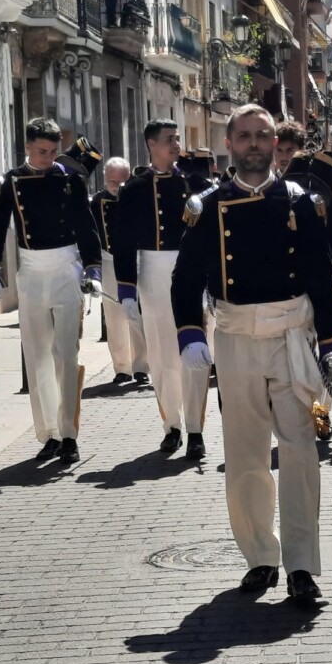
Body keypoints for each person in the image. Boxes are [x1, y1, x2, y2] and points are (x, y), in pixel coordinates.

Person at [172, 104, 332, 604]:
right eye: (244, 135)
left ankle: (302, 565)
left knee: (300, 450)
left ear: (275, 143)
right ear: (230, 143)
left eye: (262, 135)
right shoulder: (206, 206)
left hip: (291, 335)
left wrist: (331, 341)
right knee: (245, 453)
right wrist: (190, 334)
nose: (253, 144)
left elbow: (319, 272)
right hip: (235, 337)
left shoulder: (300, 202)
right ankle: (260, 557)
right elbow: (186, 276)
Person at [0, 118, 101, 465]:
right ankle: (47, 433)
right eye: (42, 151)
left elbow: (85, 225)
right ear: (28, 148)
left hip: (65, 269)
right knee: (37, 358)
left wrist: (93, 267)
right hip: (30, 273)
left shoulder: (70, 180)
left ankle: (69, 434)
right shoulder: (11, 182)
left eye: (53, 151)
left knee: (66, 354)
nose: (49, 158)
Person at [114, 120, 213, 459]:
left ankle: (195, 430)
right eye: (169, 140)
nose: (176, 145)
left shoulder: (196, 183)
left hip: (190, 268)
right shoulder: (133, 188)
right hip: (152, 272)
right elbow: (123, 243)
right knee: (161, 356)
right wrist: (127, 290)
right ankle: (171, 425)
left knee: (193, 352)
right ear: (151, 145)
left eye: (177, 139)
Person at [273, 121, 332, 305]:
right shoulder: (264, 183)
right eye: (280, 150)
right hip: (277, 272)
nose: (284, 156)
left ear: (300, 149)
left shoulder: (319, 184)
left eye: (290, 150)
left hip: (313, 267)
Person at [90, 156, 149, 388]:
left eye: (119, 181)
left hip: (135, 261)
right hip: (108, 260)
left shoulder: (138, 200)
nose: (114, 186)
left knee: (138, 316)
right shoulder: (96, 202)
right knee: (114, 318)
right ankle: (121, 368)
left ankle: (141, 367)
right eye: (110, 181)